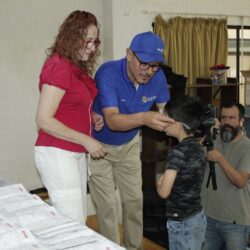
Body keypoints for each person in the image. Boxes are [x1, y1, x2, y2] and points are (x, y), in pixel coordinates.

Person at [88, 31, 172, 249]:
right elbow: (113, 121)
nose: (148, 72)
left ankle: (134, 246)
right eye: (144, 64)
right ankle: (111, 247)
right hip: (100, 147)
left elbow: (166, 112)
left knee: (134, 201)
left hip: (130, 145)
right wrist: (145, 118)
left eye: (155, 66)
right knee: (107, 205)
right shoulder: (108, 73)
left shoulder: (158, 77)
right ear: (129, 54)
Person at [34, 10, 106, 224]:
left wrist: (90, 116)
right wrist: (87, 139)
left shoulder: (75, 67)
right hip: (58, 152)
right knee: (72, 223)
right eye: (88, 41)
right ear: (73, 37)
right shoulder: (60, 66)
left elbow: (67, 105)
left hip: (73, 151)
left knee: (77, 220)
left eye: (96, 41)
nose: (93, 47)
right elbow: (44, 119)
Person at [157, 95, 207, 250]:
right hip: (197, 217)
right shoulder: (199, 147)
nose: (162, 123)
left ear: (177, 124)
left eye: (165, 118)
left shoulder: (177, 153)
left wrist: (159, 180)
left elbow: (164, 192)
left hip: (181, 224)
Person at [201, 101, 250, 250]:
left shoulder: (247, 147)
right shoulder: (213, 140)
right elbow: (193, 153)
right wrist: (206, 135)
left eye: (231, 118)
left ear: (242, 121)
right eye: (223, 118)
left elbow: (240, 181)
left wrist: (220, 159)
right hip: (208, 217)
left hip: (235, 222)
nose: (226, 122)